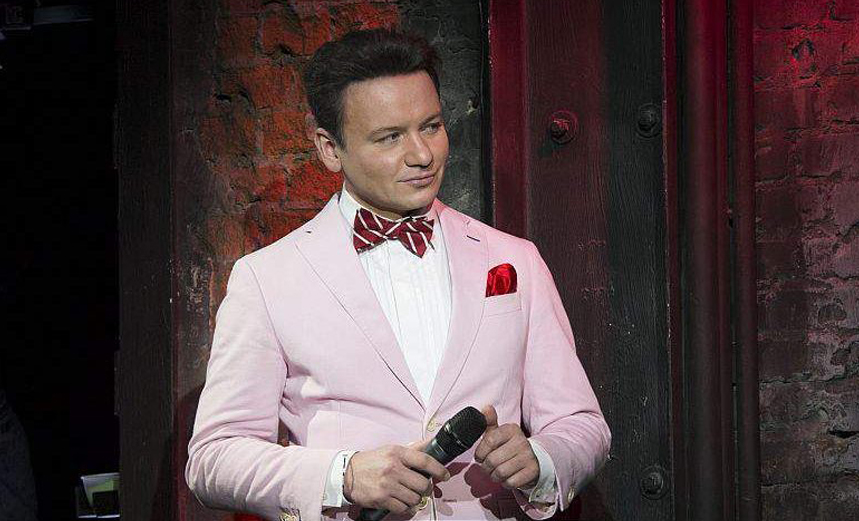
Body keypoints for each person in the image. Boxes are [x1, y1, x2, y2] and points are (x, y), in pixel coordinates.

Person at [186, 29, 610, 521]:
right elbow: (214, 459)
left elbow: (583, 425)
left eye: (431, 126)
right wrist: (343, 476)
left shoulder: (515, 259)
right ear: (329, 148)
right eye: (390, 137)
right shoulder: (267, 279)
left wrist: (543, 459)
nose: (422, 154)